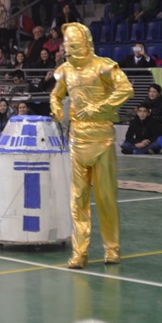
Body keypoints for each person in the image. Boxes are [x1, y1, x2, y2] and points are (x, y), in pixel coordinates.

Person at [50, 22, 134, 269]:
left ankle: (112, 248)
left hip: (102, 139)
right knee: (78, 200)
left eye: (74, 45)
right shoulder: (65, 70)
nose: (69, 50)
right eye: (67, 45)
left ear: (86, 44)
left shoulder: (103, 66)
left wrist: (98, 107)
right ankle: (80, 252)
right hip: (77, 140)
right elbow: (56, 94)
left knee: (106, 197)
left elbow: (125, 88)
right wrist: (56, 108)